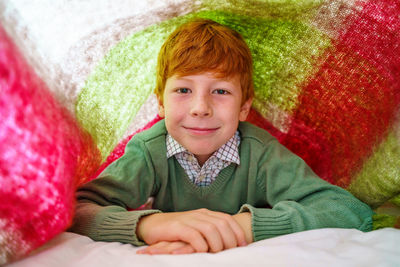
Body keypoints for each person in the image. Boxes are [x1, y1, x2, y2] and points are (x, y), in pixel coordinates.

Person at [70, 18, 373, 255]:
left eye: (221, 91)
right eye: (183, 90)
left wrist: (243, 227)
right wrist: (150, 224)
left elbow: (348, 210)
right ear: (161, 103)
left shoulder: (261, 153)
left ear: (244, 107)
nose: (201, 108)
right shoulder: (149, 150)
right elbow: (80, 209)